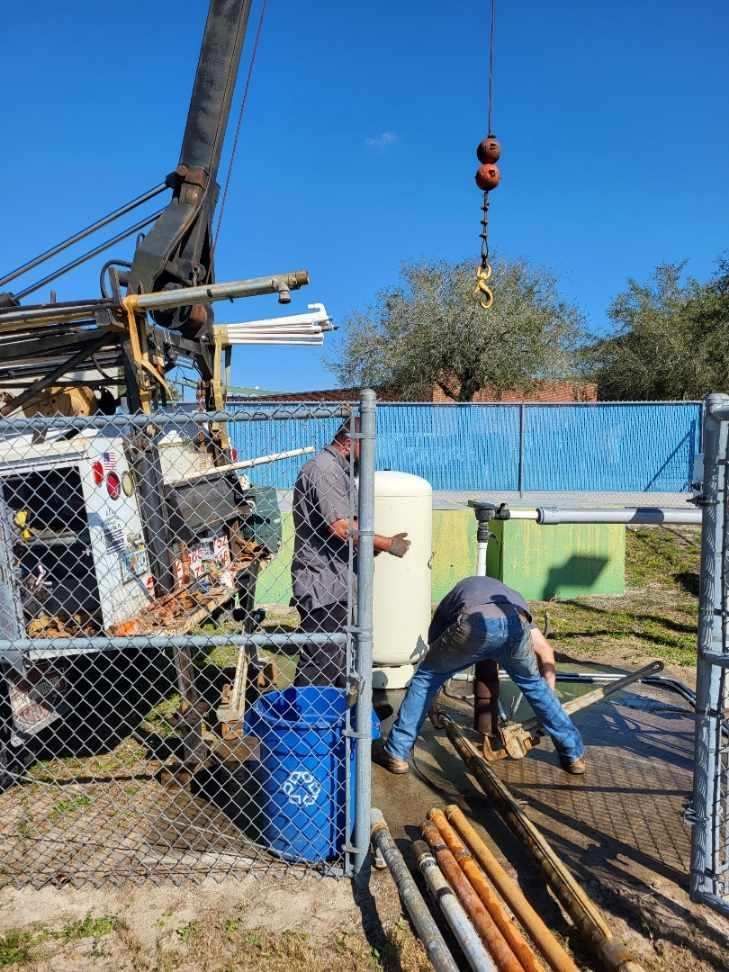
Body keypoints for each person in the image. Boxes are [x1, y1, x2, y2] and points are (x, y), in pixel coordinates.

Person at [374, 575, 586, 774]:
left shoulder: (459, 593)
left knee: (424, 679)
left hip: (473, 623)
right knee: (534, 684)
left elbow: (435, 655)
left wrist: (433, 703)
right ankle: (572, 754)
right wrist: (547, 700)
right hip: (515, 623)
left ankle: (396, 752)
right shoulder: (514, 598)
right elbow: (545, 651)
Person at [291, 418, 411, 686]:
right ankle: (310, 723)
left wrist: (370, 548)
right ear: (350, 441)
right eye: (365, 447)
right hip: (323, 585)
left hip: (337, 582)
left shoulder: (338, 470)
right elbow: (341, 527)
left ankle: (333, 719)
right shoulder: (325, 470)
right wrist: (386, 544)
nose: (368, 456)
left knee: (336, 660)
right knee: (322, 663)